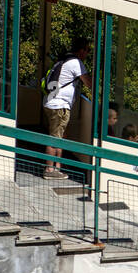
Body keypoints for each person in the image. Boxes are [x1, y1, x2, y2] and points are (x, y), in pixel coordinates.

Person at [42, 39, 92, 178]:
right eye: (88, 50)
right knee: (54, 138)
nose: (88, 53)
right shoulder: (76, 63)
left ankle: (56, 167)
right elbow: (89, 84)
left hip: (52, 103)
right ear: (81, 50)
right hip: (59, 105)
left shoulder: (64, 59)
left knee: (60, 136)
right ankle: (49, 170)